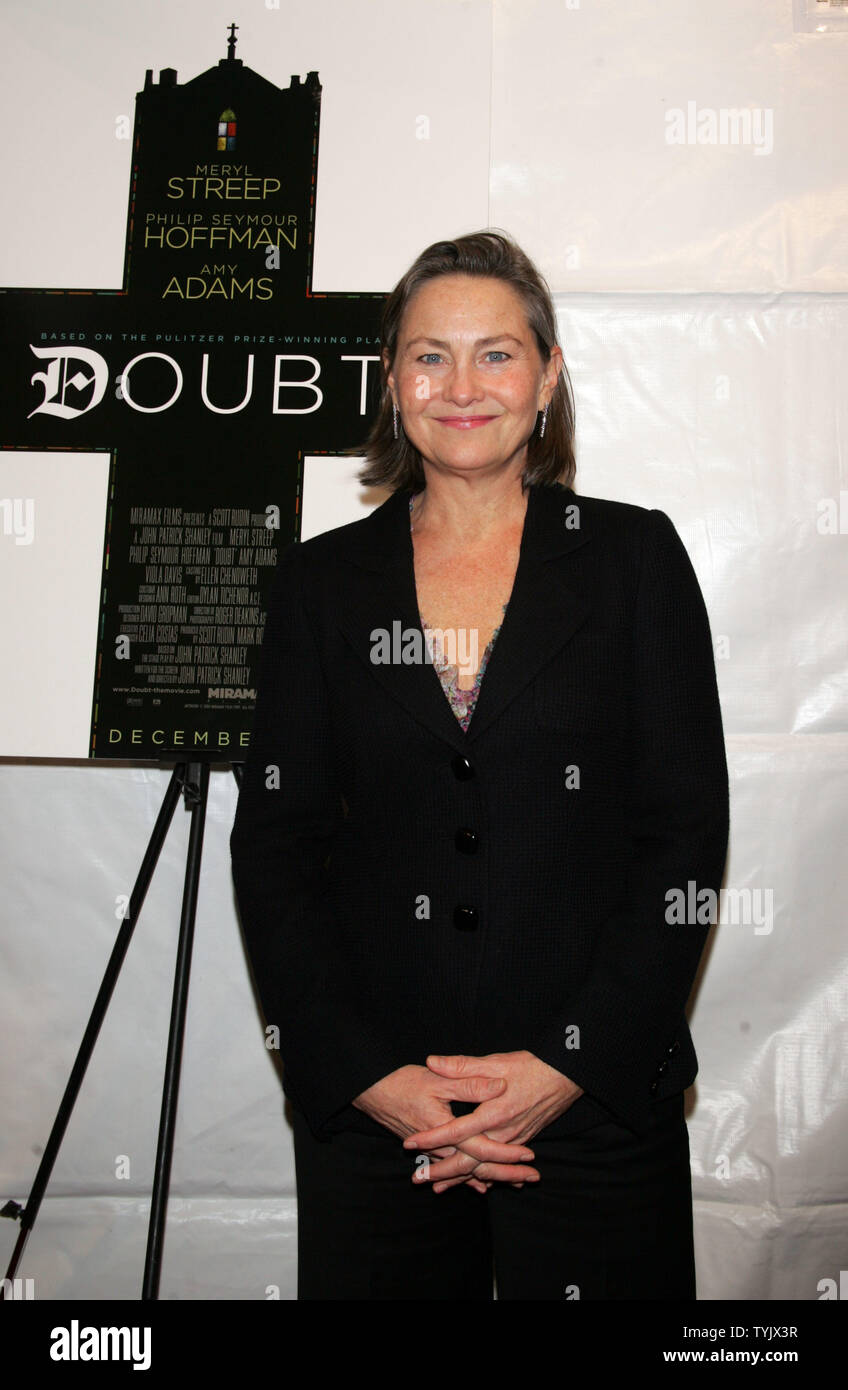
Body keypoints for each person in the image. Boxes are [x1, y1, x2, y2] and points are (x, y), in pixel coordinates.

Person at [229, 230, 729, 1300]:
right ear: (391, 381)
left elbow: (680, 838)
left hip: (591, 1105)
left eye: (495, 354)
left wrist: (563, 1066)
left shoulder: (633, 558)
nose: (461, 386)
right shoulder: (319, 586)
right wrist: (369, 1077)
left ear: (545, 376)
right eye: (428, 355)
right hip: (380, 1118)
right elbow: (276, 848)